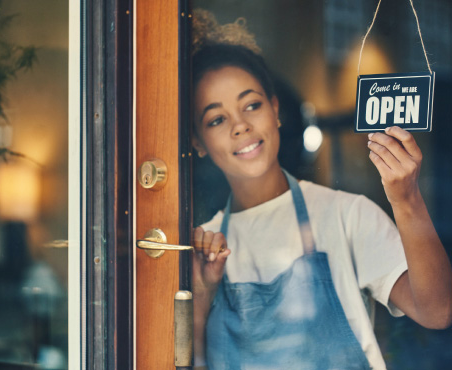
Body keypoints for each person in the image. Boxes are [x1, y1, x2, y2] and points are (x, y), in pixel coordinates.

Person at [191, 10, 452, 370]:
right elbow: (188, 360)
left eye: (252, 104)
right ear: (198, 141)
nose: (240, 126)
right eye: (216, 119)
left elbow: (437, 311)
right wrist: (203, 293)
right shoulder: (203, 250)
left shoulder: (346, 215)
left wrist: (406, 198)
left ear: (275, 109)